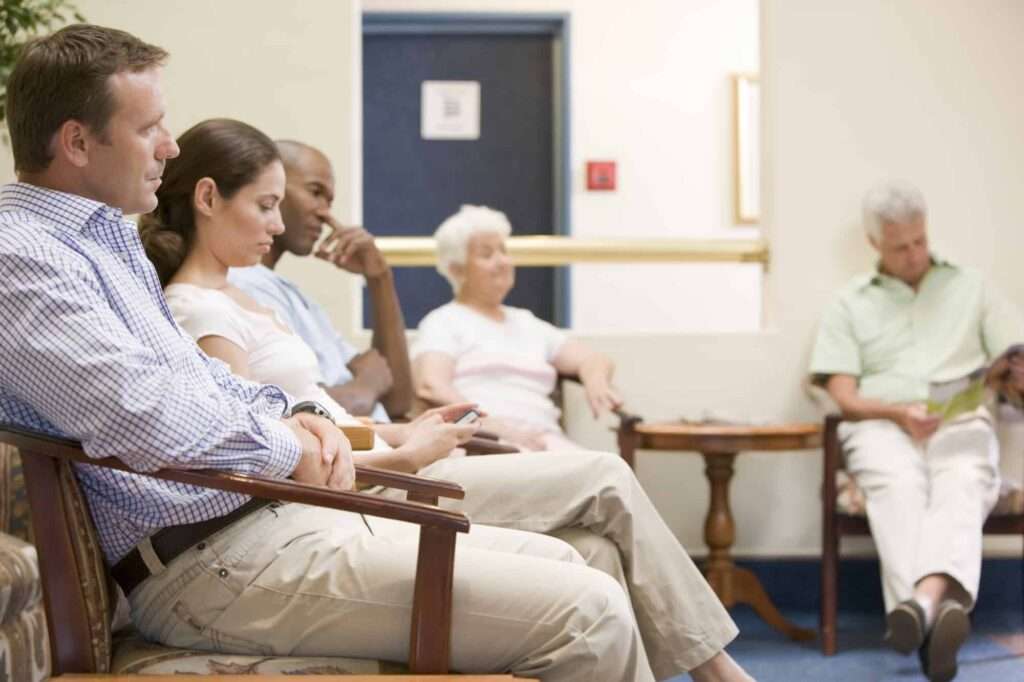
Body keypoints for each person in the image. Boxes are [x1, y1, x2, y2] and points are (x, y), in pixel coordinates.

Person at [0, 24, 692, 682]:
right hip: (208, 564)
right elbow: (143, 415)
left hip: (259, 525)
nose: (169, 147)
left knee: (590, 563)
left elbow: (202, 385)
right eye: (149, 128)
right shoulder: (23, 256)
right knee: (589, 609)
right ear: (77, 144)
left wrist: (300, 418)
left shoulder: (100, 242)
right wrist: (294, 448)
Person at [141, 123, 753, 682]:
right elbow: (261, 459)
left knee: (589, 548)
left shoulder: (251, 300)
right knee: (603, 478)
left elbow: (307, 419)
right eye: (266, 206)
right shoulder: (200, 308)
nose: (277, 225)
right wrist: (405, 456)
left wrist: (402, 431)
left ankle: (704, 665)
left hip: (356, 474)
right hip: (330, 500)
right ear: (208, 199)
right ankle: (714, 669)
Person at [809, 180, 1024, 682]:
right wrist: (897, 414)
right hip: (882, 423)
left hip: (960, 417)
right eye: (900, 246)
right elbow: (843, 394)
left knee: (965, 477)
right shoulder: (848, 304)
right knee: (898, 487)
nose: (914, 254)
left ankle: (921, 608)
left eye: (920, 241)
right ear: (874, 244)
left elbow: (1012, 362)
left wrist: (1013, 375)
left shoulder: (971, 287)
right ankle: (937, 617)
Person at [228, 138, 411, 421]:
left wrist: (379, 278)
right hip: (358, 459)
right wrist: (365, 387)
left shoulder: (295, 295)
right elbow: (299, 409)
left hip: (389, 447)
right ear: (272, 188)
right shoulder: (242, 283)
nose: (326, 212)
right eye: (315, 192)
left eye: (330, 200)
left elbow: (398, 400)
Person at [412, 204, 622, 451]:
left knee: (611, 471)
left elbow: (593, 359)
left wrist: (595, 379)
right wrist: (495, 427)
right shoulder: (444, 321)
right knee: (604, 474)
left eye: (503, 250)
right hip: (483, 443)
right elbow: (431, 385)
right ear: (457, 270)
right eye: (487, 254)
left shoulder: (527, 323)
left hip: (543, 441)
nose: (502, 261)